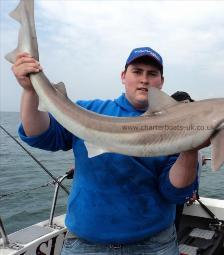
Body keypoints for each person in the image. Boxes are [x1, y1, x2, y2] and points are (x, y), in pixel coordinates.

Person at [12, 47, 205, 255]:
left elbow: (174, 192)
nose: (144, 80)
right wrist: (30, 90)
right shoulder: (89, 111)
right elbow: (40, 135)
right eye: (137, 71)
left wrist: (189, 150)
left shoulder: (176, 126)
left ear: (162, 81)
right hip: (86, 244)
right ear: (123, 76)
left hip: (154, 244)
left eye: (152, 74)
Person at [170, 91, 205, 231]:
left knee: (174, 223)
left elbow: (195, 161)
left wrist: (193, 190)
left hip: (180, 187)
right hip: (170, 186)